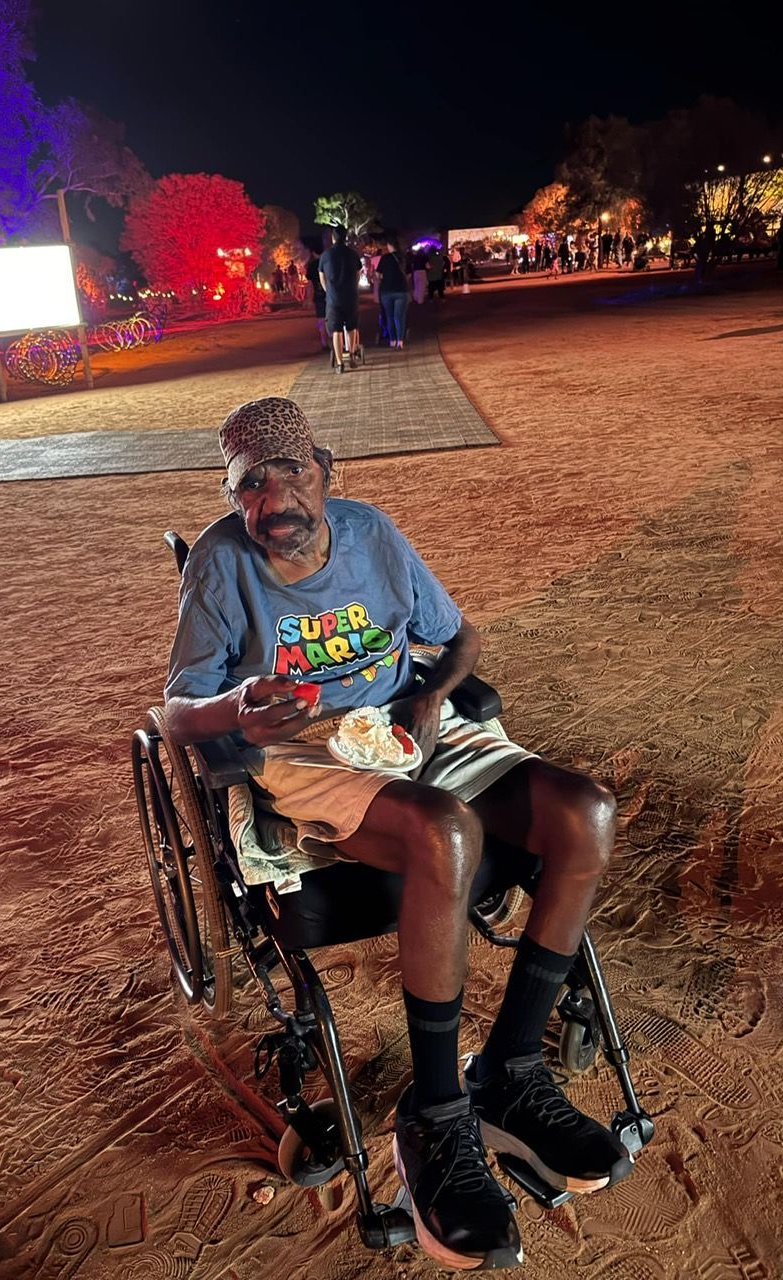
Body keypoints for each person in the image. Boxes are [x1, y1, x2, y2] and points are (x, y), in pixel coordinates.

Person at [164, 397, 634, 1273]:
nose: (274, 500)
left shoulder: (374, 535)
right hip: (303, 749)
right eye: (250, 486)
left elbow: (459, 639)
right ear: (234, 499)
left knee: (586, 813)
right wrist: (235, 709)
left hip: (408, 727)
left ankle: (513, 1069)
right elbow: (174, 711)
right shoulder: (223, 566)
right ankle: (437, 1112)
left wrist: (426, 695)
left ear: (325, 473)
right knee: (445, 833)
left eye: (290, 472)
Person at [319, 225, 363, 373]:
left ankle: (339, 363)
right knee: (351, 327)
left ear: (333, 238)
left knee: (336, 330)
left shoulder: (325, 256)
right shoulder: (353, 254)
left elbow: (322, 278)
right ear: (346, 237)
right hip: (350, 296)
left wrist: (329, 291)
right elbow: (358, 275)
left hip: (333, 298)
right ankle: (351, 354)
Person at [376, 234, 411, 348]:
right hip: (402, 290)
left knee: (390, 316)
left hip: (387, 291)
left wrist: (385, 277)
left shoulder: (385, 258)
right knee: (399, 316)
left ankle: (392, 340)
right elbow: (409, 274)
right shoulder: (404, 257)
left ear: (390, 245)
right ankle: (400, 341)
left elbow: (378, 274)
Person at [304, 245, 329, 350]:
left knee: (321, 320)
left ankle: (324, 342)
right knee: (333, 318)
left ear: (313, 252)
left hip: (318, 295)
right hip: (331, 295)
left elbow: (310, 285)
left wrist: (309, 299)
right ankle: (335, 339)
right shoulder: (328, 262)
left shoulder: (312, 266)